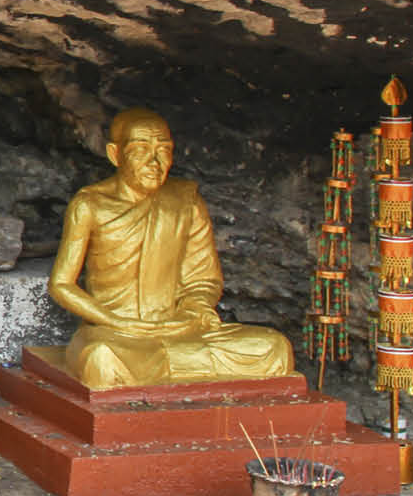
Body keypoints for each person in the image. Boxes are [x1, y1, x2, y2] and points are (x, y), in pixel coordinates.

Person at [47, 108, 294, 388]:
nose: (155, 161)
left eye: (163, 150)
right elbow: (61, 284)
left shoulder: (185, 201)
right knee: (102, 360)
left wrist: (194, 309)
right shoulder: (90, 205)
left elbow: (203, 280)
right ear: (116, 155)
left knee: (274, 347)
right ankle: (172, 365)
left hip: (180, 330)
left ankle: (171, 366)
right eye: (141, 150)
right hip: (117, 333)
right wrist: (115, 321)